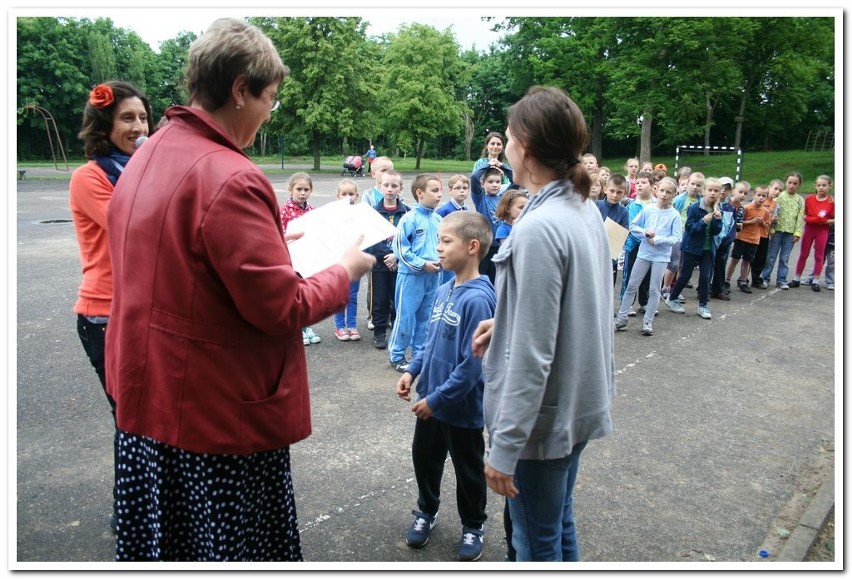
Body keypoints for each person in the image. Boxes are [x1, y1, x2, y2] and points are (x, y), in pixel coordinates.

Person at [105, 18, 375, 561]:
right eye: (268, 98)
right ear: (239, 89)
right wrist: (344, 271)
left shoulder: (150, 152)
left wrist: (273, 237)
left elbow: (184, 260)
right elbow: (281, 306)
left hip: (148, 397)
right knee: (228, 550)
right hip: (210, 415)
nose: (269, 112)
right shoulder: (232, 175)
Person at [471, 86, 616, 562]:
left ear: (526, 147)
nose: (504, 146)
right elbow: (575, 305)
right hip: (576, 406)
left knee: (534, 543)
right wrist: (507, 320)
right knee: (558, 525)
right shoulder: (580, 207)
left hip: (542, 424)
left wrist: (505, 447)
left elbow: (532, 355)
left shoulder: (539, 225)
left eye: (509, 137)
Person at [69, 80, 153, 533]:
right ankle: (134, 517)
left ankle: (150, 510)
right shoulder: (91, 177)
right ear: (104, 124)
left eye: (142, 117)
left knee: (152, 418)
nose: (138, 126)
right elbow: (136, 225)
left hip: (145, 311)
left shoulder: (141, 169)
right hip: (105, 315)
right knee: (131, 420)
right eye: (127, 118)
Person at [396, 211, 496, 562]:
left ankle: (473, 524)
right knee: (424, 460)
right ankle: (426, 510)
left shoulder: (479, 298)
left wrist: (436, 400)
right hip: (432, 403)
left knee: (469, 470)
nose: (437, 248)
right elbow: (428, 342)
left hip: (460, 409)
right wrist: (413, 370)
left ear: (471, 246)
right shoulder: (442, 291)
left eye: (445, 241)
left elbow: (472, 367)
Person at [388, 173, 443, 373]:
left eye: (440, 191)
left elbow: (444, 245)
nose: (439, 196)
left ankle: (420, 355)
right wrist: (421, 264)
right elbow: (400, 249)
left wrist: (442, 262)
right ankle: (397, 355)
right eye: (434, 191)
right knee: (406, 316)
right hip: (411, 277)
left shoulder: (438, 219)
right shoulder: (408, 219)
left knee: (426, 317)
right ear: (420, 193)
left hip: (433, 276)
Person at [614, 177, 682, 336]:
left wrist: (659, 240)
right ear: (656, 190)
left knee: (654, 289)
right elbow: (633, 226)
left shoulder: (674, 215)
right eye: (662, 191)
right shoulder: (648, 209)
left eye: (669, 192)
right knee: (632, 285)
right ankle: (621, 318)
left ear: (673, 195)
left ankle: (647, 321)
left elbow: (677, 237)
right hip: (644, 253)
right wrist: (645, 232)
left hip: (661, 256)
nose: (664, 195)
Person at [663, 177, 723, 320]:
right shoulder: (695, 208)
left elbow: (716, 231)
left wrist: (718, 219)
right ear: (704, 191)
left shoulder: (717, 209)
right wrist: (703, 222)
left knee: (705, 276)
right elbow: (690, 228)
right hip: (691, 247)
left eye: (716, 191)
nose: (713, 193)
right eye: (710, 190)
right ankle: (672, 297)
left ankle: (703, 305)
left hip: (707, 249)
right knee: (685, 275)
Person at [364, 170, 409, 349]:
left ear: (400, 188)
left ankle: (398, 332)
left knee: (399, 298)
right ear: (380, 186)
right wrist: (386, 256)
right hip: (380, 265)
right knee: (380, 299)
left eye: (394, 186)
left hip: (400, 264)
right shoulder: (373, 213)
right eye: (386, 185)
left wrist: (396, 255)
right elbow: (369, 241)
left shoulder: (407, 213)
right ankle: (379, 331)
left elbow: (410, 239)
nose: (390, 189)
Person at [279, 172, 322, 345]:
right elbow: (279, 233)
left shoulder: (312, 210)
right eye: (299, 189)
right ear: (291, 190)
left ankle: (306, 326)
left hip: (308, 256)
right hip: (292, 257)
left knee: (306, 292)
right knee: (293, 292)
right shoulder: (284, 211)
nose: (302, 193)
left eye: (306, 189)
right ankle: (296, 329)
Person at [662, 171, 704, 303]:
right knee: (673, 263)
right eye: (692, 183)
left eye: (698, 185)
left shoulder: (701, 201)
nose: (694, 187)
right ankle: (665, 288)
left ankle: (676, 289)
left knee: (684, 266)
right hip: (678, 235)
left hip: (691, 236)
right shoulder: (679, 200)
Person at [619, 171, 657, 316]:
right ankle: (626, 303)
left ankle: (644, 302)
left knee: (647, 275)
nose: (640, 185)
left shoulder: (656, 204)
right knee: (630, 276)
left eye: (644, 182)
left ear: (652, 185)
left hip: (652, 246)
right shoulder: (633, 204)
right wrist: (646, 238)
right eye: (638, 183)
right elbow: (632, 226)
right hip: (635, 246)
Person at [760, 171, 805, 290]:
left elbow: (800, 217)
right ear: (786, 183)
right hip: (777, 231)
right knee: (771, 256)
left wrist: (798, 232)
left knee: (784, 258)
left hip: (790, 233)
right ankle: (765, 277)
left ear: (799, 185)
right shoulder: (779, 197)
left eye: (795, 183)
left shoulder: (800, 200)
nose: (791, 185)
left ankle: (781, 279)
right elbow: (773, 214)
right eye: (789, 182)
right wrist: (772, 229)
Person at [471, 163, 513, 284]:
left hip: (500, 245)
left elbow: (514, 180)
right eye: (490, 182)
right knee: (482, 278)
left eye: (498, 182)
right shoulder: (480, 198)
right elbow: (474, 177)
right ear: (483, 184)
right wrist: (489, 164)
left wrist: (503, 166)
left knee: (497, 279)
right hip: (484, 246)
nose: (494, 185)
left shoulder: (504, 198)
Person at [791, 175, 835, 291]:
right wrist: (810, 219)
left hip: (822, 231)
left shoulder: (831, 202)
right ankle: (796, 278)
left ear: (830, 186)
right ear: (815, 186)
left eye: (824, 185)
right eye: (819, 185)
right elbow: (803, 214)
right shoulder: (809, 199)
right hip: (809, 229)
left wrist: (824, 221)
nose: (821, 188)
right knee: (803, 254)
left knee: (819, 256)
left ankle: (815, 280)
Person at [333, 179, 364, 341]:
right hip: (339, 263)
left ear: (357, 196)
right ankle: (340, 326)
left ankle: (351, 325)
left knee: (352, 295)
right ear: (338, 196)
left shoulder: (360, 215)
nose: (347, 197)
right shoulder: (333, 216)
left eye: (351, 194)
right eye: (343, 194)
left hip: (355, 262)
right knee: (340, 295)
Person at [726, 185, 770, 294]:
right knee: (735, 259)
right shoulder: (746, 208)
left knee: (747, 261)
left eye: (763, 196)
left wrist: (762, 222)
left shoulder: (765, 211)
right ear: (754, 195)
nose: (761, 198)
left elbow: (767, 226)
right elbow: (739, 222)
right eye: (759, 195)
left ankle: (743, 281)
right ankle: (727, 280)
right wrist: (752, 221)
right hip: (742, 238)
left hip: (754, 239)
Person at [710, 180, 748, 300]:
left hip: (724, 241)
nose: (722, 191)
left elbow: (732, 225)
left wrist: (729, 239)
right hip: (711, 241)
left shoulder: (730, 207)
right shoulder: (710, 205)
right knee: (708, 266)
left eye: (726, 189)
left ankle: (718, 288)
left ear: (730, 191)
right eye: (720, 188)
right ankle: (704, 288)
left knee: (721, 265)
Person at [595, 174, 629, 285]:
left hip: (610, 259)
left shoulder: (623, 212)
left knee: (607, 289)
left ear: (625, 193)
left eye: (619, 192)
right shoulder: (595, 206)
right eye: (612, 191)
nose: (615, 195)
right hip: (593, 256)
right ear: (605, 189)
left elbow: (623, 234)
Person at [751, 178, 783, 288]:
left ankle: (756, 279)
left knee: (761, 258)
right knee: (751, 257)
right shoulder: (760, 199)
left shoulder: (776, 204)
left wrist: (773, 221)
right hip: (754, 233)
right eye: (775, 189)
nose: (777, 192)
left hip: (765, 233)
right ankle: (744, 277)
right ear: (769, 188)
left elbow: (773, 220)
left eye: (780, 190)